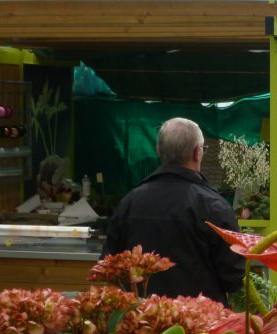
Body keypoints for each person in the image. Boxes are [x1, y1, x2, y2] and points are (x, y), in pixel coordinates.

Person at [104, 117, 245, 303]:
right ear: (197, 153)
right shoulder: (214, 206)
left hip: (141, 322)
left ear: (158, 151)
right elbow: (233, 278)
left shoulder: (129, 202)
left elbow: (109, 267)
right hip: (201, 325)